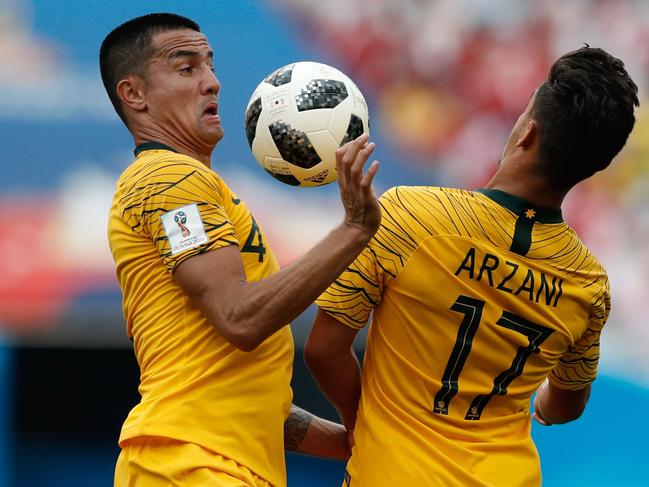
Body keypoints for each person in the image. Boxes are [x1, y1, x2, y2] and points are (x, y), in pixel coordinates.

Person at [304, 46, 639, 487]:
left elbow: (323, 350)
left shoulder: (411, 215)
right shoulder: (587, 283)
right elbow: (567, 405)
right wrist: (539, 404)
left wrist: (361, 421)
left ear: (527, 133)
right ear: (596, 166)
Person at [100, 12, 381, 487]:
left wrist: (358, 444)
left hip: (206, 462)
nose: (212, 83)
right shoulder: (169, 179)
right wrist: (353, 229)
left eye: (210, 65)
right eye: (187, 68)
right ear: (135, 94)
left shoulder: (193, 185)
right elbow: (240, 318)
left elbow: (252, 396)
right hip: (191, 462)